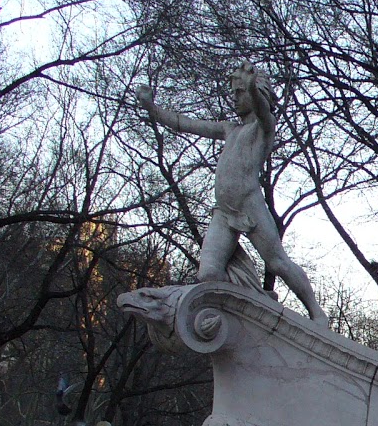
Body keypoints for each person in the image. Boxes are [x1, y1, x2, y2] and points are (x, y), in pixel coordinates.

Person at [134, 67, 327, 325]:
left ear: (254, 92)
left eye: (239, 93)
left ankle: (316, 312)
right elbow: (185, 124)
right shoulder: (229, 129)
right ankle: (250, 305)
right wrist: (152, 108)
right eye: (234, 93)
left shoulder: (263, 127)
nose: (234, 98)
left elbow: (262, 110)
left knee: (278, 263)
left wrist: (252, 90)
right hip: (224, 212)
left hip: (250, 208)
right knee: (209, 274)